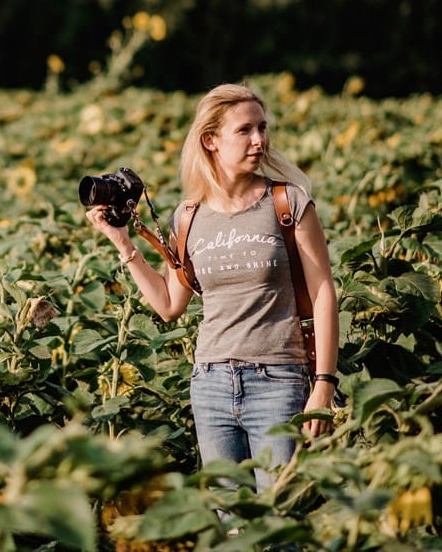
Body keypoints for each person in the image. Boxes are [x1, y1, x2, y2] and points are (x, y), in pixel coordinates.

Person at [85, 83, 339, 490]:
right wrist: (123, 243)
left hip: (279, 383)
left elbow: (324, 291)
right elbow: (169, 306)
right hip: (211, 384)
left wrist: (324, 384)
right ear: (210, 140)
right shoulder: (188, 217)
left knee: (281, 516)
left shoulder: (288, 203)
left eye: (262, 128)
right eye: (245, 130)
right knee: (228, 519)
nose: (259, 139)